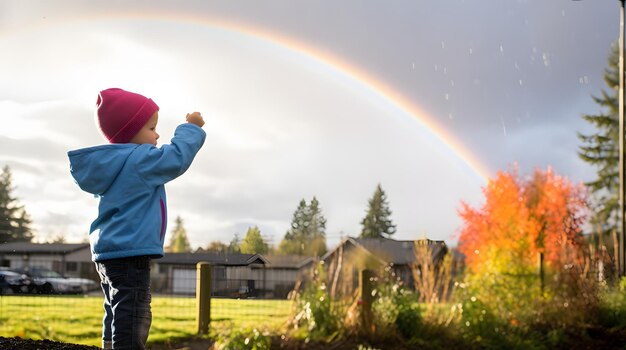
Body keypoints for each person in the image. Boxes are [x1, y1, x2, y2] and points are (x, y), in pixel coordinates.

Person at [67, 88, 206, 349]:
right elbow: (176, 158)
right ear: (130, 131)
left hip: (107, 253)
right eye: (152, 127)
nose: (157, 134)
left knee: (116, 309)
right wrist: (191, 128)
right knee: (134, 313)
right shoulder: (139, 159)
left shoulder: (109, 163)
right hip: (131, 253)